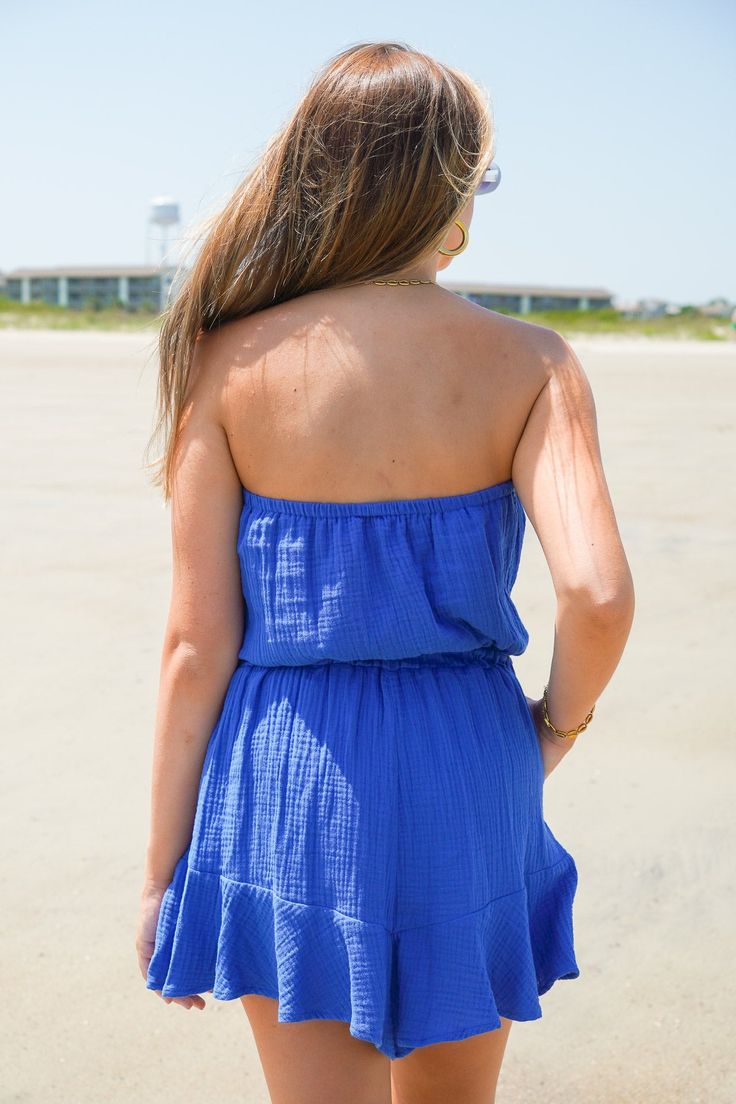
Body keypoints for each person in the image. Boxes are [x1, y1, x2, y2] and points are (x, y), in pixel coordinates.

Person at [135, 40, 635, 1104]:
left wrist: (160, 871)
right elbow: (596, 594)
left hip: (291, 774)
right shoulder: (533, 362)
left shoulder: (228, 364)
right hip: (469, 760)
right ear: (447, 196)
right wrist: (554, 726)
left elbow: (192, 648)